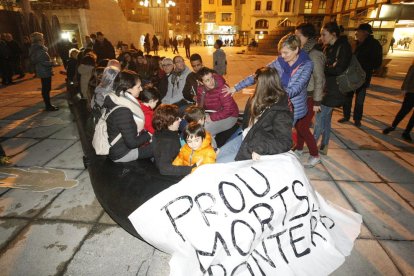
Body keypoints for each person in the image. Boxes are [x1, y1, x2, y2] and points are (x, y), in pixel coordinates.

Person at [235, 67, 293, 161]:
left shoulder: (280, 110)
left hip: (255, 146)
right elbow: (245, 124)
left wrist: (261, 148)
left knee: (221, 165)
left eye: (257, 83)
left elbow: (285, 142)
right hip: (245, 137)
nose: (255, 86)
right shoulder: (253, 99)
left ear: (263, 85)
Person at [314, 21, 353, 155]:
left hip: (335, 90)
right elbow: (330, 66)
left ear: (333, 34)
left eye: (324, 34)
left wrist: (323, 68)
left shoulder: (343, 47)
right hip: (327, 88)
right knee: (325, 119)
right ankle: (324, 145)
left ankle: (312, 146)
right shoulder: (328, 47)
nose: (321, 37)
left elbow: (339, 69)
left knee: (319, 117)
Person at [338, 23, 382, 127]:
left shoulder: (374, 45)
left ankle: (357, 119)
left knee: (359, 100)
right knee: (348, 97)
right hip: (351, 76)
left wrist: (362, 66)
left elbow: (377, 62)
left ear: (365, 33)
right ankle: (346, 116)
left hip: (363, 77)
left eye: (358, 31)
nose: (356, 33)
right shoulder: (356, 43)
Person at [103, 70, 152, 162]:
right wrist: (149, 134)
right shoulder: (123, 110)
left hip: (120, 146)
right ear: (128, 88)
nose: (141, 89)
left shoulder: (116, 98)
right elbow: (132, 143)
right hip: (122, 153)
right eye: (138, 87)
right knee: (161, 147)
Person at [294, 23, 325, 165]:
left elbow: (320, 78)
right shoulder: (303, 52)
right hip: (303, 95)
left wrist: (317, 102)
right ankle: (299, 149)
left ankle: (315, 155)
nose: (295, 37)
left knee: (303, 126)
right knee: (300, 124)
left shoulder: (314, 54)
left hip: (312, 96)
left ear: (306, 36)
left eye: (298, 35)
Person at [152, 104, 197, 176]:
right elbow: (164, 169)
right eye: (177, 119)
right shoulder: (168, 141)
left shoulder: (160, 131)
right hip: (176, 173)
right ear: (169, 121)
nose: (180, 120)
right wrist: (193, 168)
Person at [196, 67, 239, 136]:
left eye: (212, 78)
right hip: (211, 113)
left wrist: (211, 118)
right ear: (201, 82)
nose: (211, 82)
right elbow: (199, 105)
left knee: (204, 131)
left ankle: (213, 146)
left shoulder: (223, 88)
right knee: (195, 125)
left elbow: (228, 110)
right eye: (207, 80)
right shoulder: (200, 89)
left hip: (230, 116)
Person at [382, 60, 414, 142]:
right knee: (404, 111)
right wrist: (404, 89)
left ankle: (407, 132)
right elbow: (408, 77)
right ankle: (393, 126)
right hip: (412, 92)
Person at [29, 32, 59, 111]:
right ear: (39, 41)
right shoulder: (39, 49)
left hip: (43, 70)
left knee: (46, 88)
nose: (44, 40)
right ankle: (48, 106)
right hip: (44, 71)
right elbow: (41, 62)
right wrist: (52, 63)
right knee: (46, 88)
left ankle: (48, 105)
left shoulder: (38, 48)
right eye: (42, 38)